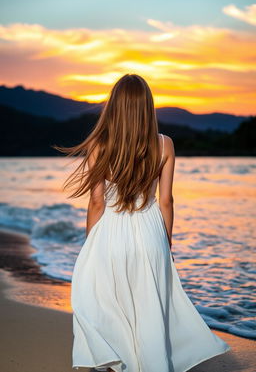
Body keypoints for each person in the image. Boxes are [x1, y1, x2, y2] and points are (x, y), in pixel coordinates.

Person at [53, 74, 230, 372]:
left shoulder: (100, 145)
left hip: (111, 233)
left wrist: (89, 244)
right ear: (147, 106)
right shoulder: (165, 145)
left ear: (115, 106)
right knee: (148, 305)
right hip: (150, 234)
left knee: (107, 300)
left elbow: (96, 202)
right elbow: (166, 202)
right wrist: (167, 244)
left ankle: (117, 360)